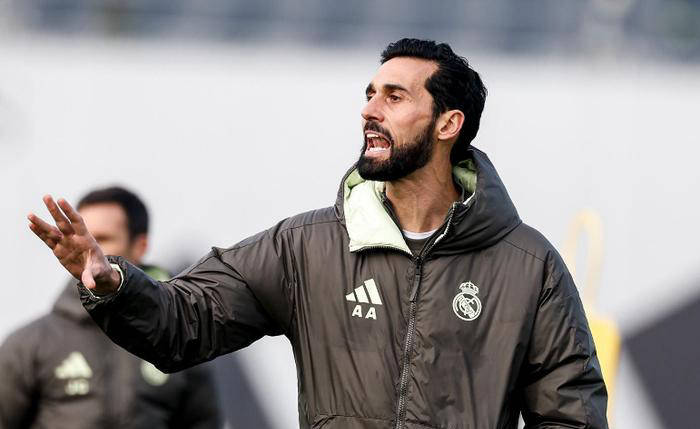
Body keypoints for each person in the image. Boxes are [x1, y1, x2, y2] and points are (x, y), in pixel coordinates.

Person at [27, 39, 608, 428]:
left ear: (447, 124)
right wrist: (111, 282)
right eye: (369, 94)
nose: (370, 110)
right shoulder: (303, 247)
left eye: (395, 97)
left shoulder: (529, 264)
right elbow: (182, 323)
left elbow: (571, 415)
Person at [3, 187, 221, 429]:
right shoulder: (30, 344)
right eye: (79, 236)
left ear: (139, 246)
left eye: (101, 239)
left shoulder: (179, 335)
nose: (87, 249)